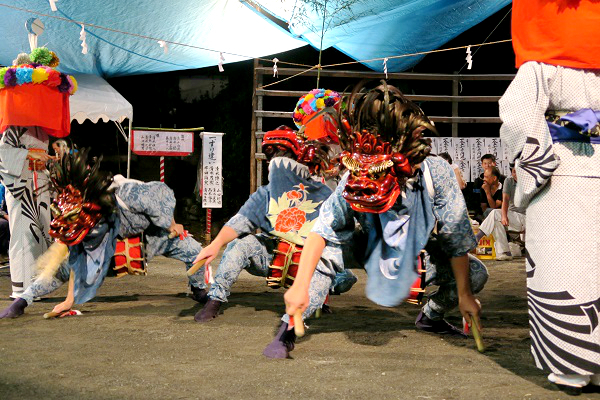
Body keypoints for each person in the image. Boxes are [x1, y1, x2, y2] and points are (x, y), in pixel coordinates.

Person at [263, 83, 488, 359]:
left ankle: (431, 316)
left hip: (412, 255)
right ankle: (288, 329)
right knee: (323, 258)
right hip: (365, 247)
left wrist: (464, 293)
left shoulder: (436, 172)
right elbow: (323, 230)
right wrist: (299, 287)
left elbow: (455, 235)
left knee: (476, 273)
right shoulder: (356, 174)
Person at [499, 1, 600, 393]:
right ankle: (574, 366)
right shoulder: (542, 66)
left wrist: (536, 167)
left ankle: (577, 366)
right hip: (564, 176)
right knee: (569, 267)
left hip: (560, 173)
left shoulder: (540, 69)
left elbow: (520, 115)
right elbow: (520, 112)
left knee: (572, 268)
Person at [194, 90, 357, 323]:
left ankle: (320, 299)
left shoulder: (323, 192)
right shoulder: (268, 193)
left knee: (339, 270)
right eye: (274, 156)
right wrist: (216, 243)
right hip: (272, 256)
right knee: (239, 246)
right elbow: (241, 221)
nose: (276, 161)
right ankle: (215, 300)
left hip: (308, 260)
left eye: (282, 154)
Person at [0, 150, 207, 318]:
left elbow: (160, 197)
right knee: (62, 269)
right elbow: (75, 261)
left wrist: (172, 224)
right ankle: (22, 300)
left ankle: (199, 289)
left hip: (153, 234)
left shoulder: (128, 192)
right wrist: (68, 300)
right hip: (113, 243)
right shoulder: (81, 221)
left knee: (194, 250)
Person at [0, 48, 77, 299]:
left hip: (39, 183)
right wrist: (29, 155)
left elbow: (41, 155)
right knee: (22, 234)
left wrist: (48, 162)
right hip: (20, 184)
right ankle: (21, 289)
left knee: (44, 230)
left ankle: (40, 284)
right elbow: (3, 152)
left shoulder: (41, 130)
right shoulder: (12, 124)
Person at [475, 166, 525, 261]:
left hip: (526, 218)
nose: (515, 174)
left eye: (518, 171)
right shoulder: (508, 181)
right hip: (512, 218)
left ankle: (476, 238)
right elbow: (505, 199)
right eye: (513, 172)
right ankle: (505, 252)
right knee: (496, 221)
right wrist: (504, 215)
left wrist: (504, 215)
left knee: (494, 213)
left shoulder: (530, 181)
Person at [0, 184, 9, 260]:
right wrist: (8, 217)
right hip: (3, 216)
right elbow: (0, 209)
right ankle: (3, 253)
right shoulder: (2, 187)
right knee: (4, 224)